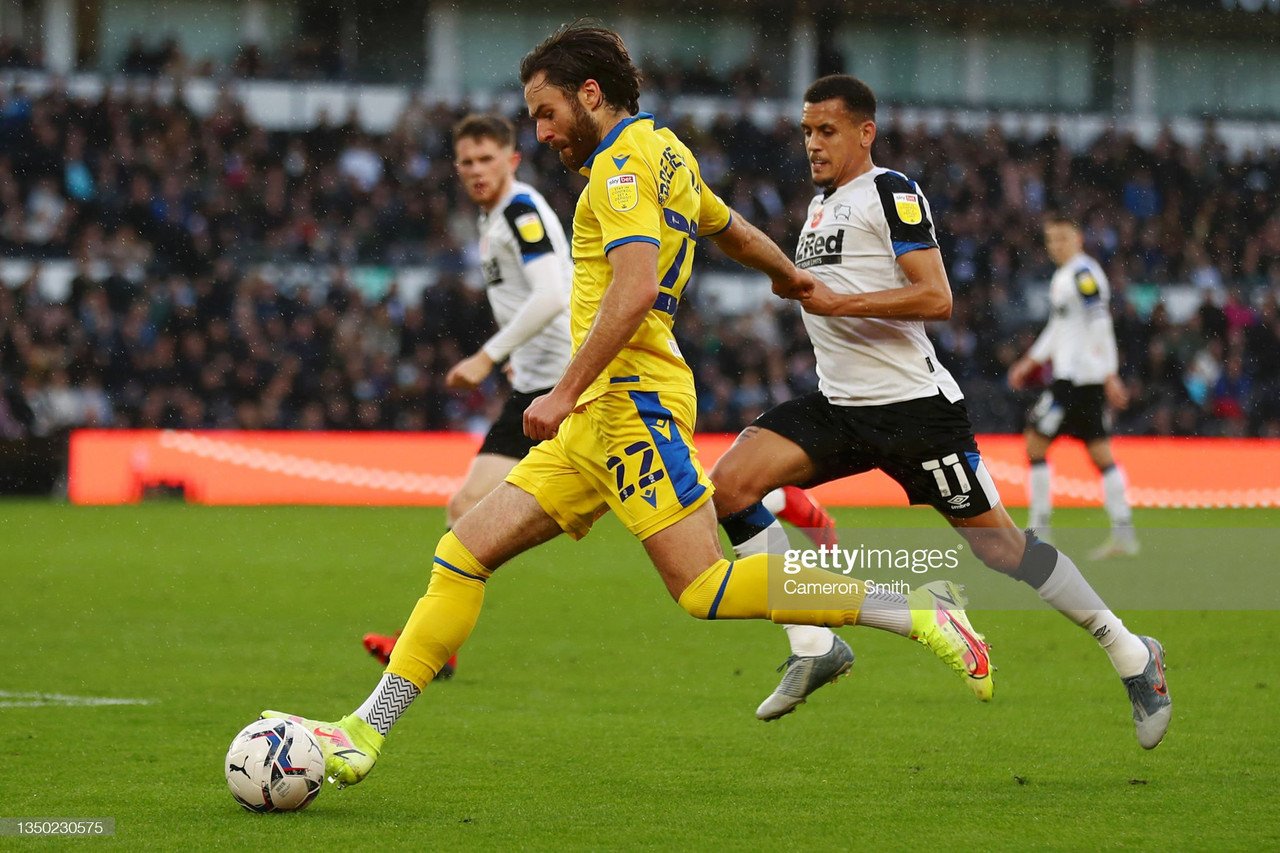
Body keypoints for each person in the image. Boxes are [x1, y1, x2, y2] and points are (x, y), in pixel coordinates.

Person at [263, 24, 990, 787]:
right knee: (463, 552)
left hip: (626, 403)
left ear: (589, 93)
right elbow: (728, 226)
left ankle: (915, 611)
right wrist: (793, 278)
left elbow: (637, 285)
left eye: (546, 113)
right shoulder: (666, 151)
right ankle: (364, 731)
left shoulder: (615, 172)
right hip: (601, 415)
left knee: (704, 587)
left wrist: (563, 389)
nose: (540, 132)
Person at [708, 74, 1170, 748]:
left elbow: (935, 297)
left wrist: (843, 303)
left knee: (1003, 548)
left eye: (826, 130)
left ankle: (1131, 652)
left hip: (914, 412)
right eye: (806, 131)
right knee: (729, 486)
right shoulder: (818, 207)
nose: (812, 143)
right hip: (840, 405)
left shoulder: (891, 192)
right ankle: (812, 640)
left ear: (865, 132)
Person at [360, 113, 838, 673]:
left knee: (692, 574)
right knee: (483, 516)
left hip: (567, 385)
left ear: (511, 161)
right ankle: (427, 653)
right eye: (465, 161)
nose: (475, 171)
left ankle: (873, 595)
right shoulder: (503, 216)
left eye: (487, 158)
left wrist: (492, 357)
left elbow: (552, 295)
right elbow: (725, 227)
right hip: (563, 385)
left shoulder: (522, 211)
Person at [1008, 214, 1138, 559]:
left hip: (1076, 381)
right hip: (1079, 380)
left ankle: (1038, 532)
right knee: (1100, 453)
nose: (1056, 246)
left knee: (1035, 444)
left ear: (1079, 238)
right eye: (1051, 240)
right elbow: (1057, 328)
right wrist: (1030, 361)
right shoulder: (1064, 277)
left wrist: (1109, 373)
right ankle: (1124, 533)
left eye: (1063, 238)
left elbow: (1100, 322)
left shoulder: (1083, 275)